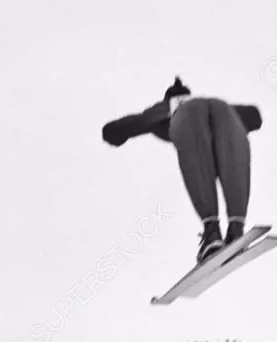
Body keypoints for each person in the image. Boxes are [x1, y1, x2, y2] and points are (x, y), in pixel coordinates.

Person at [102, 77, 263, 263]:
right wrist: (251, 119)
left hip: (188, 117)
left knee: (198, 165)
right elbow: (253, 117)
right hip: (225, 110)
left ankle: (212, 233)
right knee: (235, 163)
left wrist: (115, 132)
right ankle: (236, 228)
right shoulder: (205, 101)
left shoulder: (166, 107)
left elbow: (139, 121)